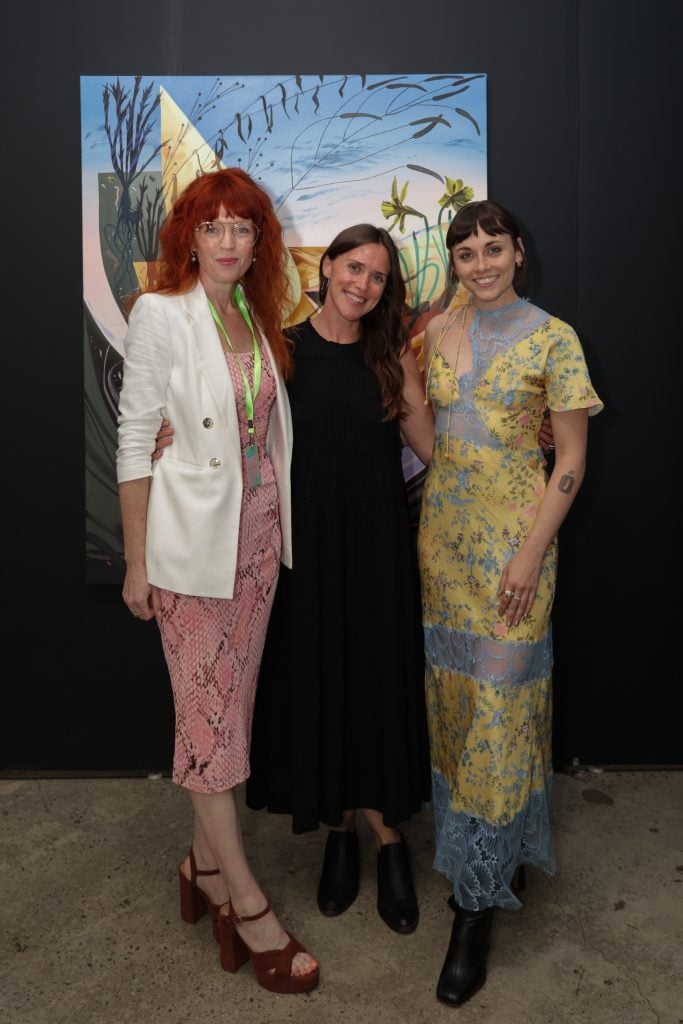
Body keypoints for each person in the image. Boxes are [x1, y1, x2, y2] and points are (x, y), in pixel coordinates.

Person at [116, 167, 319, 994]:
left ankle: (199, 870)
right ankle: (246, 903)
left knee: (227, 713)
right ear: (188, 239)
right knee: (207, 730)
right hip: (192, 553)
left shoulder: (254, 313)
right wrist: (137, 561)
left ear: (257, 241)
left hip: (260, 543)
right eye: (213, 228)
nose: (229, 242)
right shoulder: (160, 313)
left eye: (243, 228)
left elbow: (258, 434)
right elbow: (135, 441)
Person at [417, 199, 602, 1006]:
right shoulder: (434, 331)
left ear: (518, 252)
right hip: (442, 548)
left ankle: (472, 905)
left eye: (494, 248)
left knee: (500, 711)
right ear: (452, 262)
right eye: (465, 252)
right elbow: (432, 442)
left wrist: (529, 551)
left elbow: (570, 458)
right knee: (458, 710)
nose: (480, 262)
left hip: (515, 553)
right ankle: (490, 851)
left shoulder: (553, 337)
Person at [244, 223, 435, 935]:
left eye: (378, 276)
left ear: (387, 288)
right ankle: (338, 830)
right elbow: (239, 436)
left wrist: (515, 432)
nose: (362, 284)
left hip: (380, 544)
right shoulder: (282, 350)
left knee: (377, 681)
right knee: (323, 676)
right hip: (306, 549)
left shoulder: (392, 357)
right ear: (324, 267)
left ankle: (389, 843)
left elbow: (432, 448)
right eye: (353, 267)